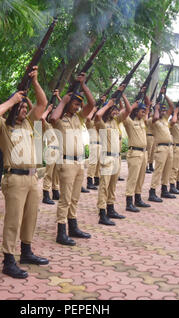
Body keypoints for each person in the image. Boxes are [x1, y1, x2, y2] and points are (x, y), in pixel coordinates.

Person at [0, 66, 49, 279]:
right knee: (13, 219)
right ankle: (8, 259)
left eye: (25, 107)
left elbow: (42, 104)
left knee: (31, 217)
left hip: (32, 178)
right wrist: (12, 101)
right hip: (14, 178)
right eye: (21, 107)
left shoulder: (30, 124)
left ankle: (26, 251)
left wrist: (35, 82)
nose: (25, 110)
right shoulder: (4, 127)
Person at [50, 73, 94, 246]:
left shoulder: (78, 117)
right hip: (66, 162)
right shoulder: (60, 119)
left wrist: (83, 85)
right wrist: (62, 101)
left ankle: (73, 226)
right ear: (68, 103)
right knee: (65, 198)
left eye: (78, 105)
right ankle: (61, 232)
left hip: (79, 162)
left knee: (75, 197)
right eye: (75, 104)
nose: (78, 107)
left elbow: (92, 104)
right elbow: (52, 118)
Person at [94, 87, 131, 225]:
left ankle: (111, 208)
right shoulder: (101, 123)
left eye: (115, 110)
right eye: (112, 110)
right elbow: (97, 115)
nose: (115, 112)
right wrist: (108, 104)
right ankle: (102, 213)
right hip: (107, 158)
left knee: (113, 186)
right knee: (104, 186)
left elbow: (128, 110)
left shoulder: (116, 122)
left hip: (116, 158)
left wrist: (123, 95)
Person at [123, 89, 152, 212]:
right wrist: (124, 96)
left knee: (141, 178)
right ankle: (129, 202)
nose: (144, 112)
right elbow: (125, 112)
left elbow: (149, 104)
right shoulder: (129, 122)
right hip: (134, 152)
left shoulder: (143, 121)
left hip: (144, 152)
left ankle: (138, 198)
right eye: (142, 111)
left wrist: (144, 93)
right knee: (133, 178)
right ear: (135, 111)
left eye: (144, 111)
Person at [147, 90, 176, 202]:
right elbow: (154, 118)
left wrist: (165, 95)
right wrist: (156, 109)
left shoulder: (164, 119)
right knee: (158, 170)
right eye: (161, 110)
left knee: (167, 169)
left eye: (164, 110)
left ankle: (164, 189)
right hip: (161, 148)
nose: (164, 111)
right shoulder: (152, 120)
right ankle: (152, 191)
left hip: (169, 147)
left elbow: (172, 107)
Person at [42, 91, 61, 204]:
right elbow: (42, 119)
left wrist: (58, 97)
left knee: (56, 174)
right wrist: (48, 110)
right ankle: (45, 194)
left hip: (58, 151)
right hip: (51, 150)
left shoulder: (59, 125)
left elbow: (63, 109)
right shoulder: (47, 125)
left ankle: (55, 191)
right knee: (48, 173)